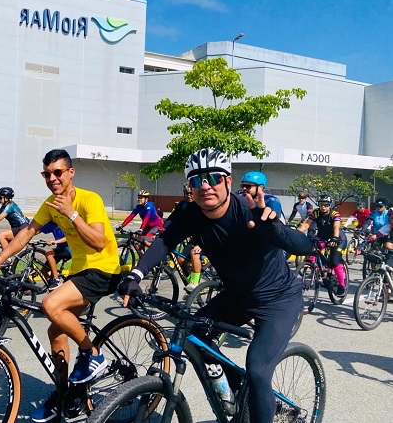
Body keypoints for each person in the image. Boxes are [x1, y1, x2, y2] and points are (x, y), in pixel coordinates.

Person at [118, 147, 312, 423]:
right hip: (235, 296)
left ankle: (255, 394)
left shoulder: (251, 210)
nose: (205, 186)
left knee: (258, 369)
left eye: (214, 178)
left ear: (228, 181)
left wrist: (276, 231)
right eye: (197, 180)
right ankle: (240, 393)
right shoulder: (190, 213)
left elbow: (305, 245)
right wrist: (135, 275)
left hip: (278, 300)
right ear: (190, 187)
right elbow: (165, 241)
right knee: (194, 337)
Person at [0, 149, 120, 423]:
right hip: (79, 271)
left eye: (57, 172)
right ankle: (65, 396)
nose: (52, 178)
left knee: (50, 304)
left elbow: (99, 242)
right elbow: (25, 235)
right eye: (47, 174)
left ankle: (92, 353)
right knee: (56, 328)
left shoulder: (90, 199)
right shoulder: (50, 204)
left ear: (70, 173)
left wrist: (72, 214)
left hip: (104, 269)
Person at [298, 193, 347, 296]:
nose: (323, 207)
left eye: (325, 204)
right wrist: (296, 233)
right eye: (321, 204)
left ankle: (342, 286)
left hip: (338, 238)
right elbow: (307, 224)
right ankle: (316, 269)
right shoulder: (315, 213)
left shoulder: (335, 214)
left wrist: (335, 237)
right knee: (311, 249)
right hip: (322, 237)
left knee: (334, 261)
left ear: (330, 205)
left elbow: (336, 227)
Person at [166, 182, 204, 292]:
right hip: (194, 237)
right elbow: (172, 218)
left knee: (194, 253)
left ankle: (195, 283)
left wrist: (200, 244)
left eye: (191, 193)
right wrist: (162, 229)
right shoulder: (183, 204)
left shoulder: (201, 205)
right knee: (180, 260)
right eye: (186, 193)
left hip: (205, 237)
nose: (189, 196)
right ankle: (191, 277)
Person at [40, 221, 72, 291]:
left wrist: (54, 242)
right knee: (43, 271)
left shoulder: (65, 223)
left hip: (69, 250)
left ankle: (56, 280)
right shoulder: (52, 224)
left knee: (49, 253)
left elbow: (68, 237)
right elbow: (38, 230)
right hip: (59, 249)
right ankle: (54, 288)